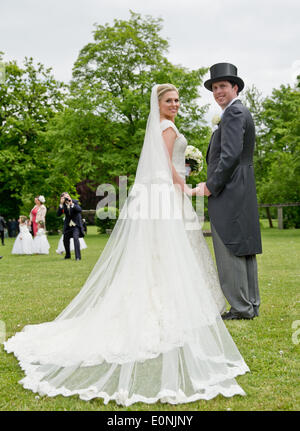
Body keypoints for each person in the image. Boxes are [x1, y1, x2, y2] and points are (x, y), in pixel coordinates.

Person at [4, 84, 249, 406]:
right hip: (168, 193)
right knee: (171, 250)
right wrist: (184, 187)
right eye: (169, 101)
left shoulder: (163, 126)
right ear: (159, 104)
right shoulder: (167, 128)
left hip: (163, 193)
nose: (175, 104)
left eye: (177, 100)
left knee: (166, 252)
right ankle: (170, 303)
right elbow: (164, 165)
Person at [198, 63, 262, 321]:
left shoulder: (234, 113)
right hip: (242, 185)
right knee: (244, 246)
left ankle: (240, 307)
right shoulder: (239, 112)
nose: (218, 91)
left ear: (235, 87)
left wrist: (211, 185)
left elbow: (230, 154)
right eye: (214, 88)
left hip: (230, 187)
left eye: (223, 86)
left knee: (229, 245)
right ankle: (251, 304)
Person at [57, 193, 85, 261]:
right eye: (65, 197)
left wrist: (71, 204)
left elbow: (79, 210)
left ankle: (78, 257)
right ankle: (67, 255)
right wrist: (61, 204)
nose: (67, 198)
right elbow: (58, 214)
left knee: (76, 238)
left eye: (68, 196)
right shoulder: (63, 205)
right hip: (68, 226)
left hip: (76, 225)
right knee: (65, 239)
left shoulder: (75, 202)